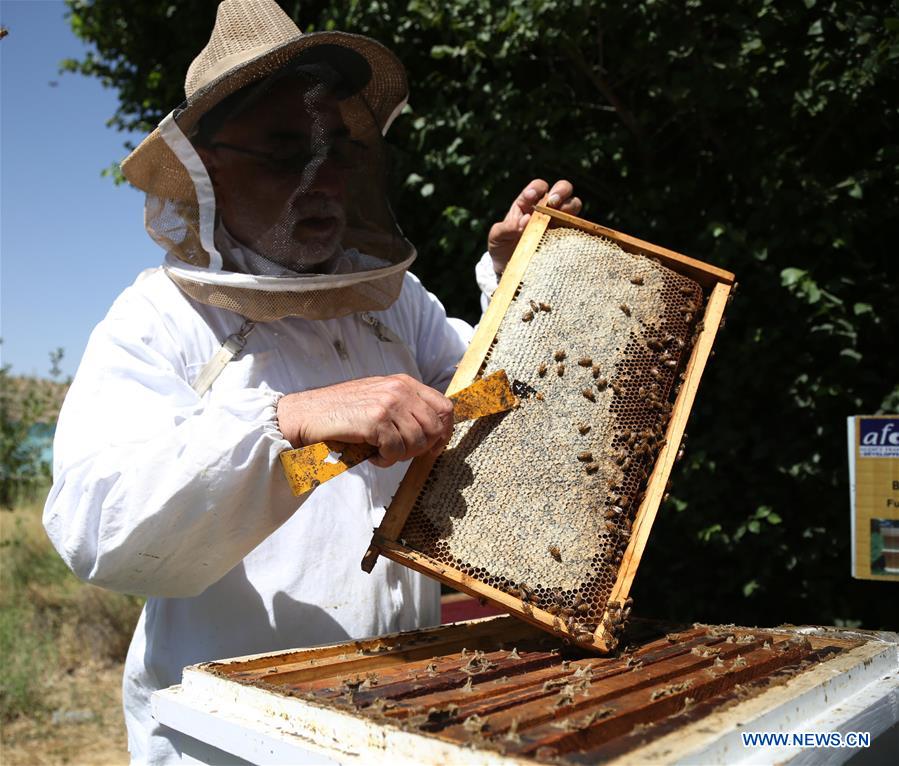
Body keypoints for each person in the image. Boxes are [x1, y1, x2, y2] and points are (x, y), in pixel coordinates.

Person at [42, 1, 581, 762]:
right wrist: (287, 420)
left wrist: (513, 279)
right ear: (209, 168)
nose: (321, 179)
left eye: (336, 152)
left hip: (403, 714)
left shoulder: (393, 302)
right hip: (228, 741)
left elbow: (488, 402)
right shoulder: (159, 318)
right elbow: (98, 533)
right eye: (284, 152)